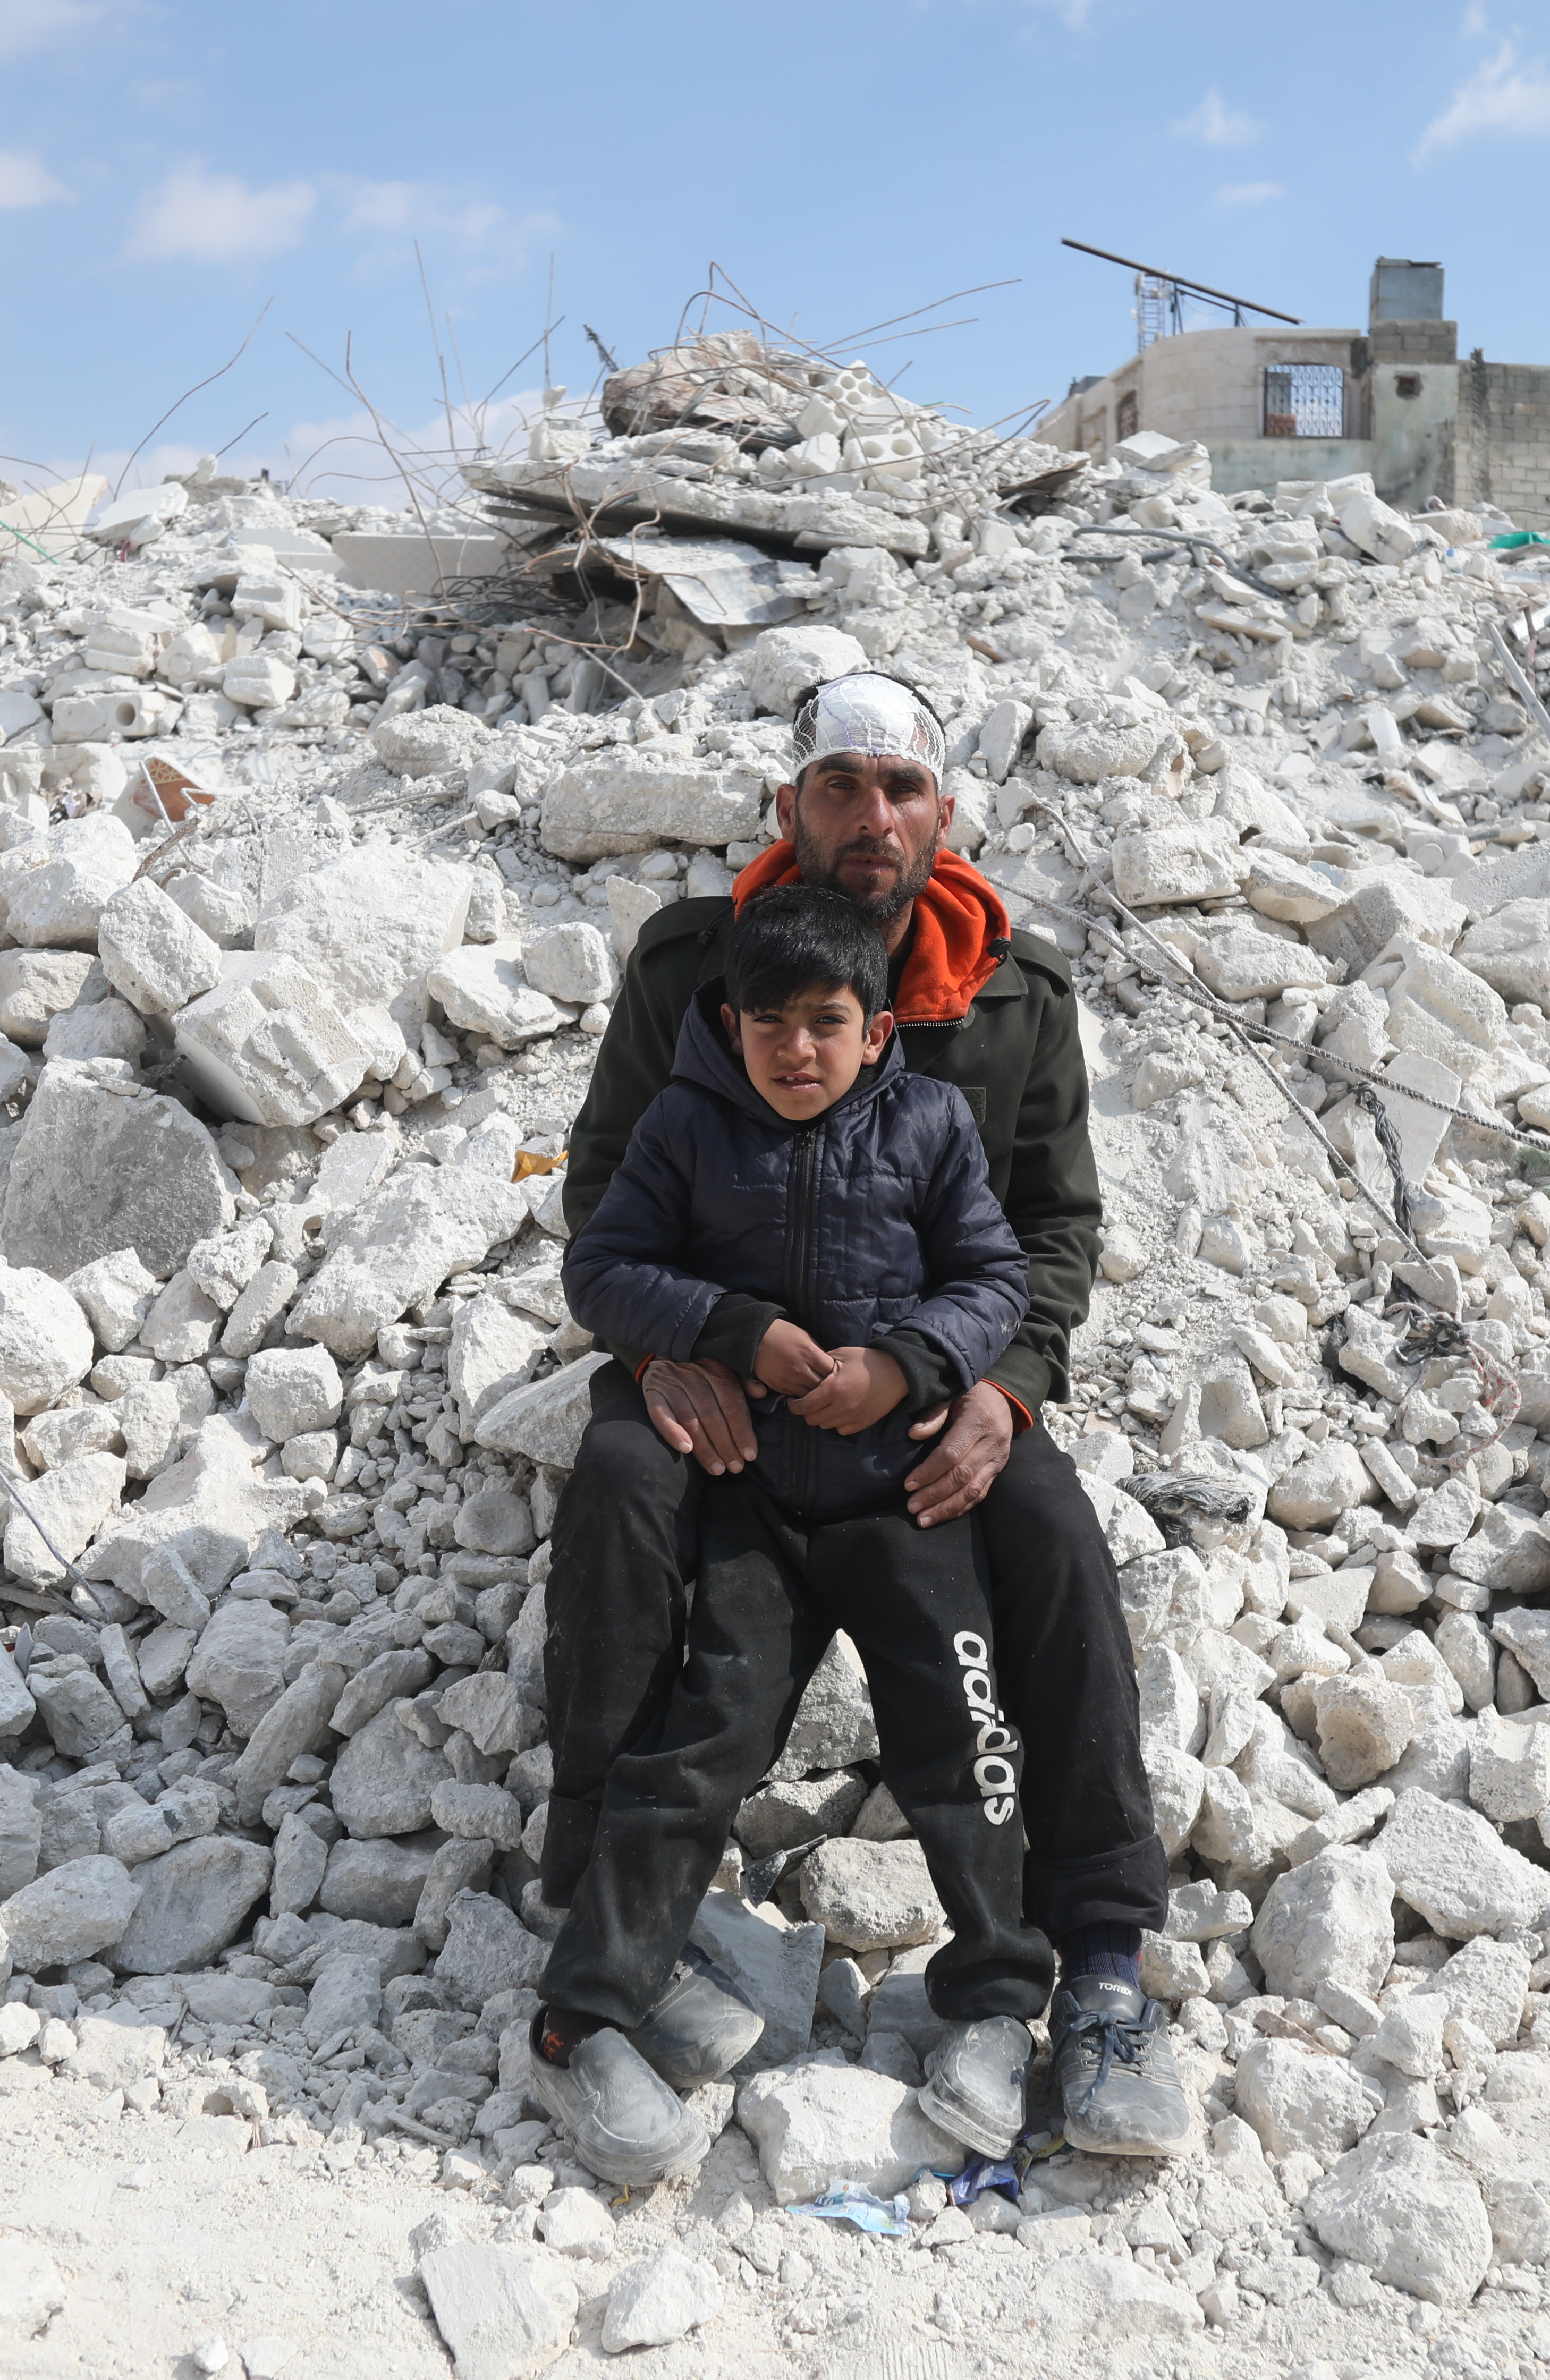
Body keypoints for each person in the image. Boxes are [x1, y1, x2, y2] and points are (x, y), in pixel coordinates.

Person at [549, 670, 1189, 2157]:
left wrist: (1000, 1390)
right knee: (622, 1490)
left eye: (901, 791)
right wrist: (668, 1356)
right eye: (841, 785)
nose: (871, 817)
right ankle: (591, 1917)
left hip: (914, 1393)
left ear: (944, 817)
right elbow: (605, 1197)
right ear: (792, 805)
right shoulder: (692, 968)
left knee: (1046, 1525)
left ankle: (1095, 1965)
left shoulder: (1016, 994)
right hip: (720, 1379)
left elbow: (1045, 1237)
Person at [528, 885, 1046, 2182]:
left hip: (899, 1495)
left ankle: (996, 2006)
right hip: (754, 1504)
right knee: (698, 1743)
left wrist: (912, 1364)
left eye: (827, 1022)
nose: (797, 1049)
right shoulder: (685, 1125)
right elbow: (602, 1267)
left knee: (963, 1730)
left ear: (878, 1030)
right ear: (731, 1022)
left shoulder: (929, 1125)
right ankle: (586, 2008)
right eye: (771, 1022)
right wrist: (731, 1328)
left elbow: (995, 1276)